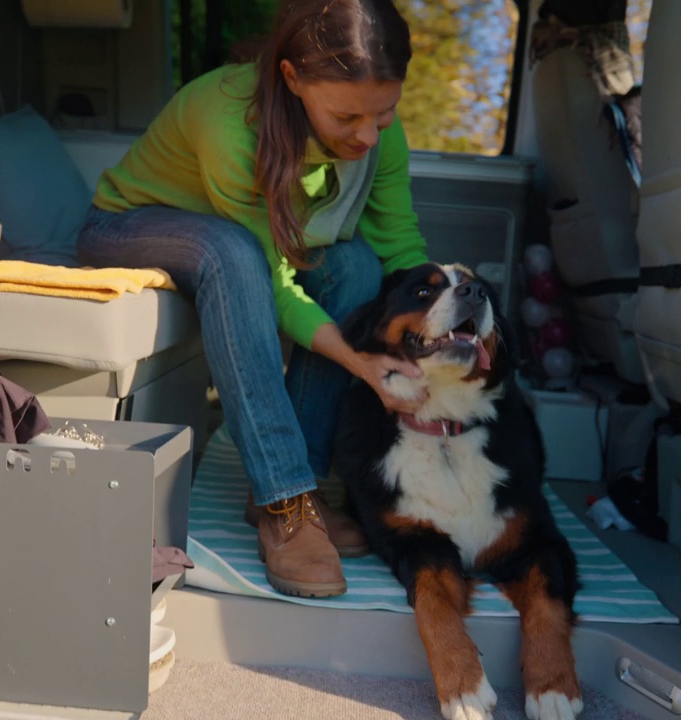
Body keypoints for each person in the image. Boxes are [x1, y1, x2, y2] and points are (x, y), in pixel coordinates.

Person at [78, 0, 431, 598]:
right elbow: (271, 283)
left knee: (355, 264)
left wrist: (440, 325)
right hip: (131, 225)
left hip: (243, 242)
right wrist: (360, 363)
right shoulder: (228, 119)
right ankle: (283, 501)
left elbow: (400, 246)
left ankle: (306, 481)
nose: (368, 135)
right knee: (232, 253)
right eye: (347, 116)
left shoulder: (376, 135)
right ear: (293, 80)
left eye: (385, 112)